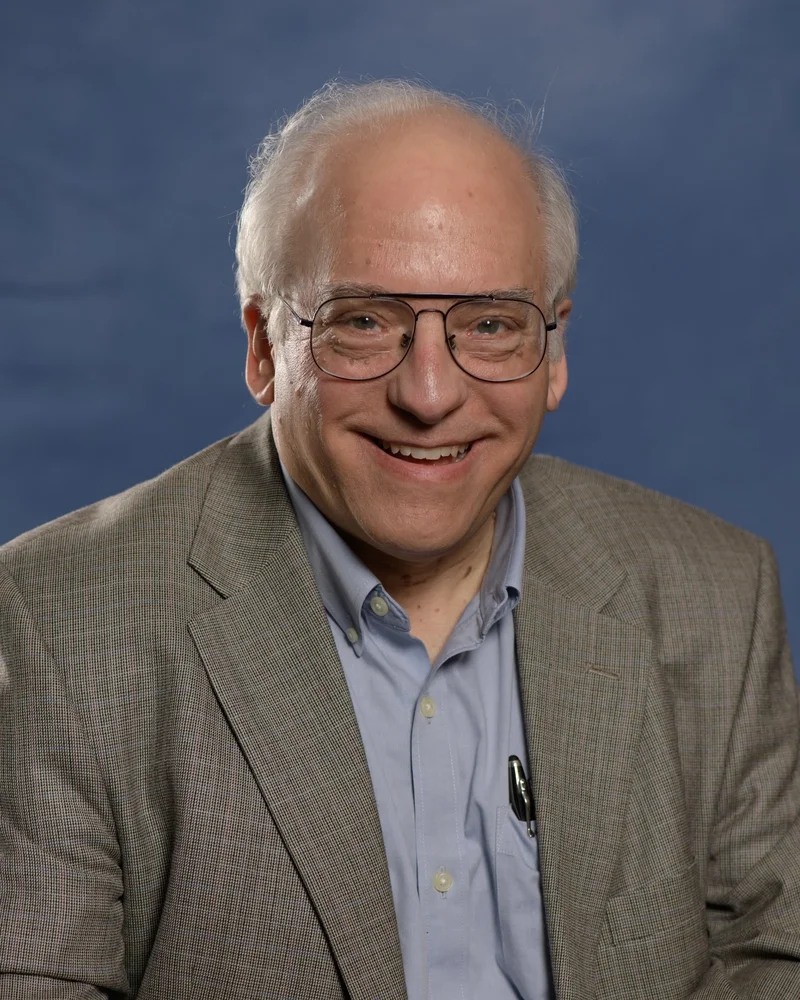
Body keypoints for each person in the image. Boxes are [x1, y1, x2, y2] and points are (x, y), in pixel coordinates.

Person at [1, 79, 798, 1000]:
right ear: (265, 346)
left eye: (491, 325)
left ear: (554, 349)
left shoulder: (716, 593)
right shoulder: (57, 626)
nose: (428, 396)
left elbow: (775, 955)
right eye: (364, 322)